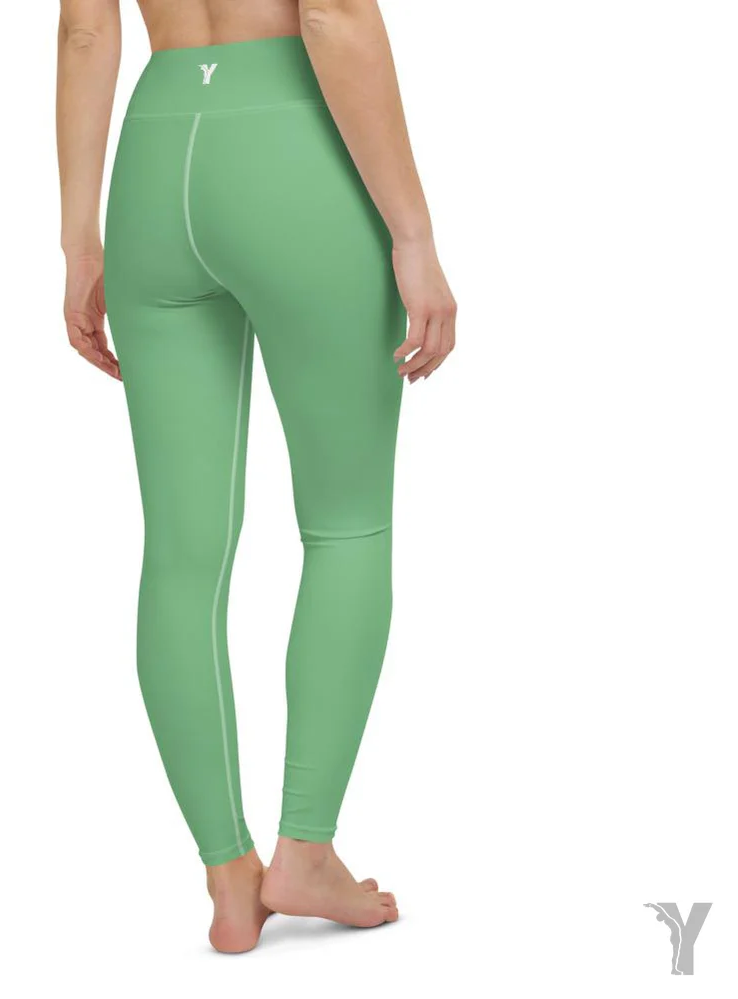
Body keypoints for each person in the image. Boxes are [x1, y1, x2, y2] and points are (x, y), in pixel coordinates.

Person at [56, 0, 456, 953]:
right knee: (345, 523)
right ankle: (304, 848)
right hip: (291, 150)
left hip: (155, 160)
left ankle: (227, 875)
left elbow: (84, 31)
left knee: (182, 550)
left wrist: (79, 240)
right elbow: (329, 14)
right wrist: (412, 235)